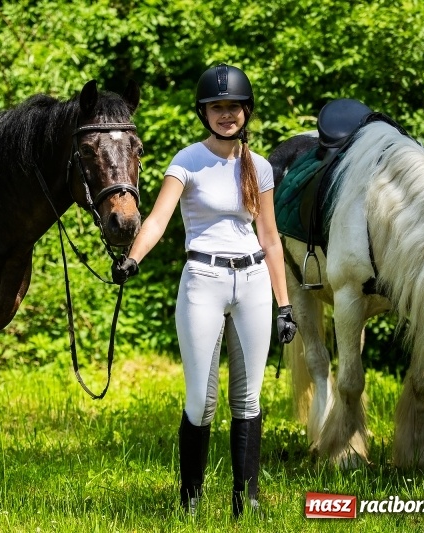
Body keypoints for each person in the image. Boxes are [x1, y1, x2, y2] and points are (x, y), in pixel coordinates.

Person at [112, 63, 297, 518]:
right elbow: (157, 219)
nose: (226, 115)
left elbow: (270, 238)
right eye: (217, 108)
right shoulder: (187, 161)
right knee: (201, 399)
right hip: (203, 280)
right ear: (204, 113)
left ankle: (246, 501)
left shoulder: (259, 167)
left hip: (253, 281)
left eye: (234, 107)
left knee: (248, 398)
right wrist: (133, 258)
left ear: (246, 111)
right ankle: (191, 501)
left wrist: (285, 304)